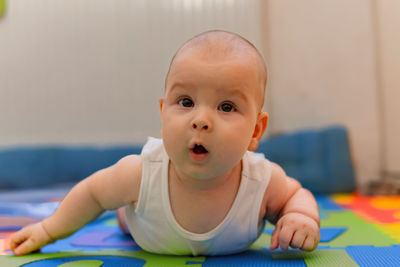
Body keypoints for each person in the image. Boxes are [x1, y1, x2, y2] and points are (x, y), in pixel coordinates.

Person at [10, 30, 320, 256]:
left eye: (226, 107)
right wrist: (48, 230)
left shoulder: (262, 180)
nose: (201, 120)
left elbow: (296, 194)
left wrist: (300, 217)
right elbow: (92, 194)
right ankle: (124, 214)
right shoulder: (140, 174)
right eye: (185, 101)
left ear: (255, 130)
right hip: (146, 225)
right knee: (121, 208)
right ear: (162, 114)